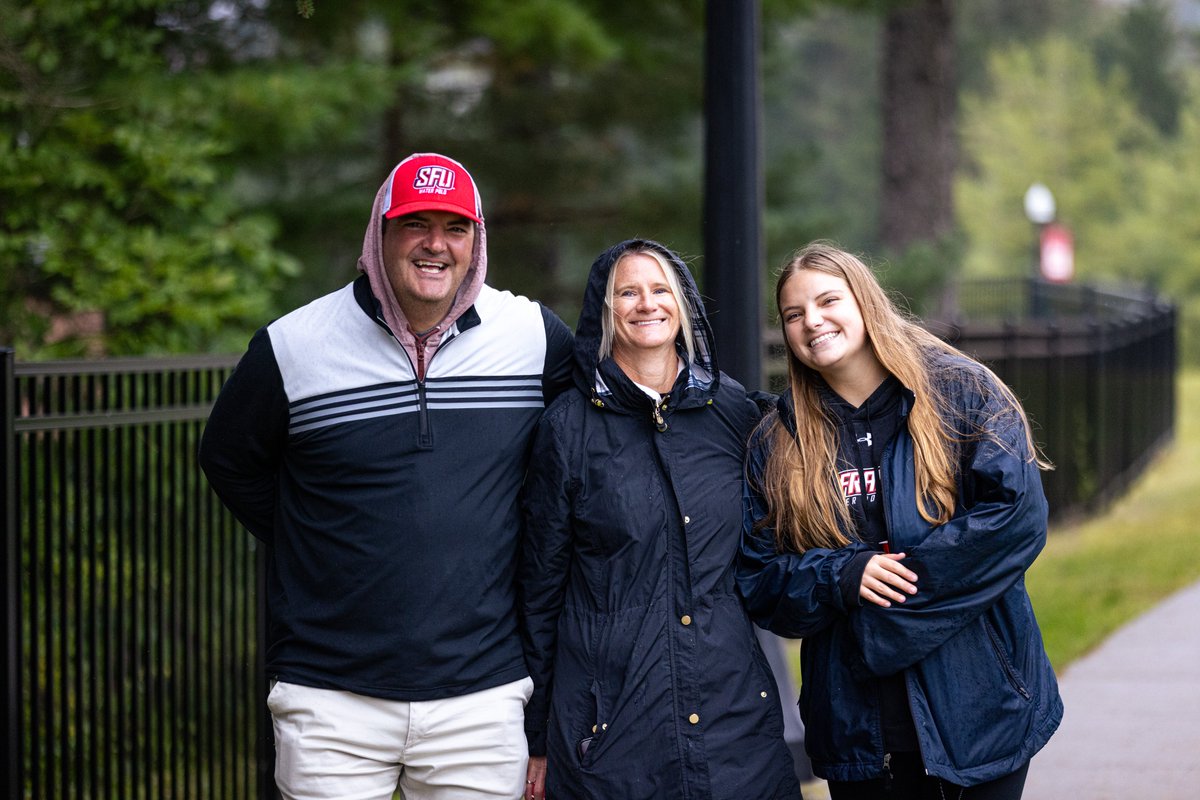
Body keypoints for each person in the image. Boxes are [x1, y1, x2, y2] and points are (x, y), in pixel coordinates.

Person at [198, 152, 574, 800]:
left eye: (456, 228)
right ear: (379, 231)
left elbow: (591, 449)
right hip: (329, 700)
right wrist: (316, 538)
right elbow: (229, 460)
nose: (436, 244)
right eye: (415, 224)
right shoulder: (293, 346)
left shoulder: (534, 338)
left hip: (481, 699)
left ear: (477, 241)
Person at [737, 241, 1063, 799]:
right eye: (794, 314)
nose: (812, 321)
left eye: (827, 300)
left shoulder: (960, 393)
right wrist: (844, 576)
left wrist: (884, 620)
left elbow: (1017, 520)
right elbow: (760, 581)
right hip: (858, 732)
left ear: (865, 302)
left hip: (980, 709)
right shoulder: (779, 439)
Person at [519, 239, 803, 800]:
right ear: (606, 307)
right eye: (628, 291)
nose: (646, 304)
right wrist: (537, 737)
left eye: (659, 289)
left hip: (735, 721)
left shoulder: (732, 412)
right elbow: (539, 592)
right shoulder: (566, 429)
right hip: (614, 729)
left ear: (683, 303)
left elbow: (778, 549)